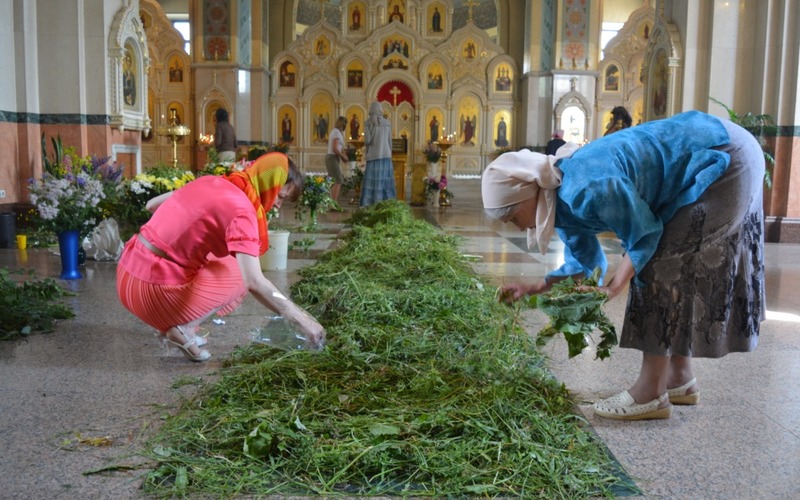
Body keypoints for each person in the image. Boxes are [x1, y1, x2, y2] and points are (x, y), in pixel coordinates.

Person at [481, 110, 765, 421]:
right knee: (669, 261)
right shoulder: (557, 197)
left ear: (525, 193)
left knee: (658, 266)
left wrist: (615, 285)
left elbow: (644, 234)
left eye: (512, 218)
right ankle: (679, 378)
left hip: (724, 156)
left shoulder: (585, 185)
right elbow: (586, 261)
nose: (518, 227)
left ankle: (650, 393)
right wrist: (538, 287)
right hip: (718, 144)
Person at [116, 153, 326, 362]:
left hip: (125, 275)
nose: (278, 205)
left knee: (223, 255)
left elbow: (152, 205)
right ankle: (185, 329)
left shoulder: (211, 181)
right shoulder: (243, 211)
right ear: (268, 183)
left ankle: (179, 324)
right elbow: (254, 281)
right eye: (279, 196)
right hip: (152, 294)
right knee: (240, 269)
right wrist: (303, 320)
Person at [359, 101, 396, 206]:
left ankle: (370, 204)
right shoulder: (387, 123)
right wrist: (389, 154)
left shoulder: (368, 123)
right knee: (384, 182)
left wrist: (371, 127)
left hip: (374, 156)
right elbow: (390, 141)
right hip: (386, 157)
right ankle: (387, 205)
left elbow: (368, 141)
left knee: (373, 182)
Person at [326, 116, 349, 210]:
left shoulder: (335, 132)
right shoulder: (336, 132)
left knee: (334, 181)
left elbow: (337, 148)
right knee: (339, 180)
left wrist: (342, 156)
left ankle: (331, 204)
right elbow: (335, 148)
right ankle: (333, 204)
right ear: (343, 124)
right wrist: (343, 156)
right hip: (332, 157)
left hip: (332, 157)